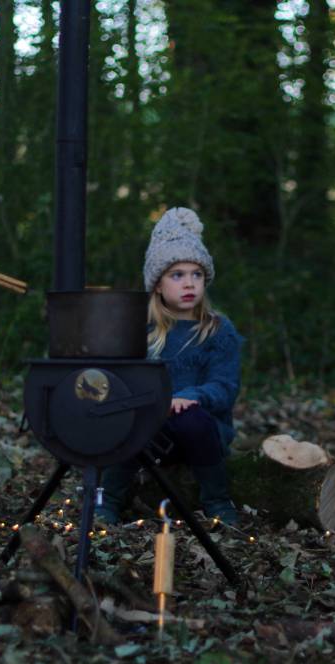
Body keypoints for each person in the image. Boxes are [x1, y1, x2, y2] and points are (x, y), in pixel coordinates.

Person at [96, 207, 243, 526]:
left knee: (191, 420)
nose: (189, 283)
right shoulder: (142, 330)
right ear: (158, 285)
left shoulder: (217, 329)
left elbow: (224, 387)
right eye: (177, 275)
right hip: (149, 428)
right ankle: (108, 500)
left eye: (196, 274)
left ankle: (217, 499)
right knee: (129, 419)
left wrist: (190, 397)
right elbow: (122, 380)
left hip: (199, 431)